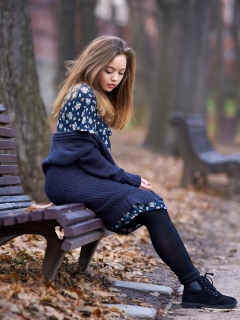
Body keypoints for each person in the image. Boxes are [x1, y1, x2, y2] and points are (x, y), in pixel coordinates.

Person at [42, 36, 237, 309]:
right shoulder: (83, 93)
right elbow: (85, 154)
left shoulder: (95, 97)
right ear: (92, 64)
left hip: (79, 176)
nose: (115, 78)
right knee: (148, 203)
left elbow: (92, 156)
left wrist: (124, 178)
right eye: (108, 70)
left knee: (151, 202)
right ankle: (194, 287)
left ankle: (193, 285)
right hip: (67, 178)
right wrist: (126, 177)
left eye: (121, 73)